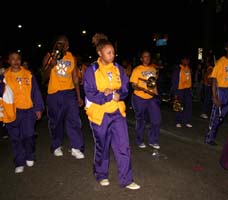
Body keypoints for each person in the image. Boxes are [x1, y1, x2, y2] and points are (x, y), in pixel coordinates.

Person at [83, 33, 140, 190]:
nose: (112, 55)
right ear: (100, 53)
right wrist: (106, 95)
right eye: (109, 52)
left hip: (117, 113)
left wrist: (118, 94)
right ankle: (101, 174)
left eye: (113, 52)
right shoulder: (92, 70)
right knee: (102, 146)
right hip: (99, 114)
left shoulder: (118, 68)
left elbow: (124, 89)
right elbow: (90, 92)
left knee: (123, 146)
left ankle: (126, 180)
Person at [0, 52, 44, 173]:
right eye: (13, 59)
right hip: (11, 112)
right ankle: (19, 161)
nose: (16, 61)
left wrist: (38, 108)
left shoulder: (28, 74)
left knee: (29, 135)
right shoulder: (4, 76)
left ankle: (29, 155)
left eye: (18, 59)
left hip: (28, 111)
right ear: (8, 61)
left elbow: (36, 92)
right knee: (15, 138)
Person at [42, 35, 85, 159]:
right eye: (58, 43)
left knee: (74, 120)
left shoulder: (72, 57)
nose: (60, 45)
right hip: (54, 93)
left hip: (69, 93)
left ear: (67, 45)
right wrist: (51, 65)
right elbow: (44, 77)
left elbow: (75, 77)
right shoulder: (49, 56)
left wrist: (78, 96)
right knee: (55, 122)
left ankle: (76, 147)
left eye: (63, 43)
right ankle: (56, 145)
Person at [204, 40, 228, 145]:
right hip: (221, 90)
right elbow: (214, 79)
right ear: (226, 48)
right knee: (218, 116)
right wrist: (214, 96)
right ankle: (209, 138)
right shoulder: (221, 62)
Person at [130, 49, 161, 149]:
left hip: (152, 98)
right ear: (141, 58)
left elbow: (153, 84)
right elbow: (133, 85)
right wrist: (143, 89)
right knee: (141, 120)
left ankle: (153, 140)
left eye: (148, 56)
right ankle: (139, 140)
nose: (147, 58)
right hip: (139, 98)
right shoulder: (137, 70)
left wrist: (156, 94)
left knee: (156, 120)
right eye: (145, 56)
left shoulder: (153, 69)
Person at [171, 55, 193, 128]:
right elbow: (174, 81)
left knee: (188, 105)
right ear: (182, 60)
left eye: (188, 60)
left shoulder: (188, 68)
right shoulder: (178, 69)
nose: (187, 61)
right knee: (178, 106)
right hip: (180, 90)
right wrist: (175, 92)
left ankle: (187, 121)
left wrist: (190, 89)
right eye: (186, 60)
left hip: (187, 90)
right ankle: (178, 121)